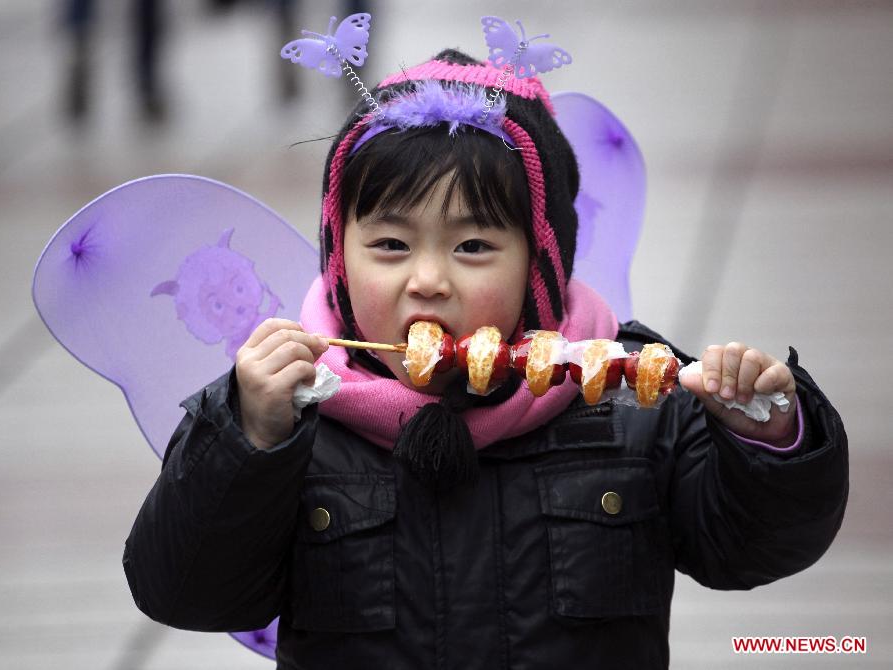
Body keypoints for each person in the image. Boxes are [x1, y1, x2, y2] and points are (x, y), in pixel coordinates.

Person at [122, 48, 848, 669]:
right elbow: (183, 590)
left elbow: (752, 548)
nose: (428, 280)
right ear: (338, 258)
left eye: (473, 247)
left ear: (542, 264)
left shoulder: (631, 398)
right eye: (390, 246)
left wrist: (770, 437)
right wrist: (245, 440)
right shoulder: (283, 414)